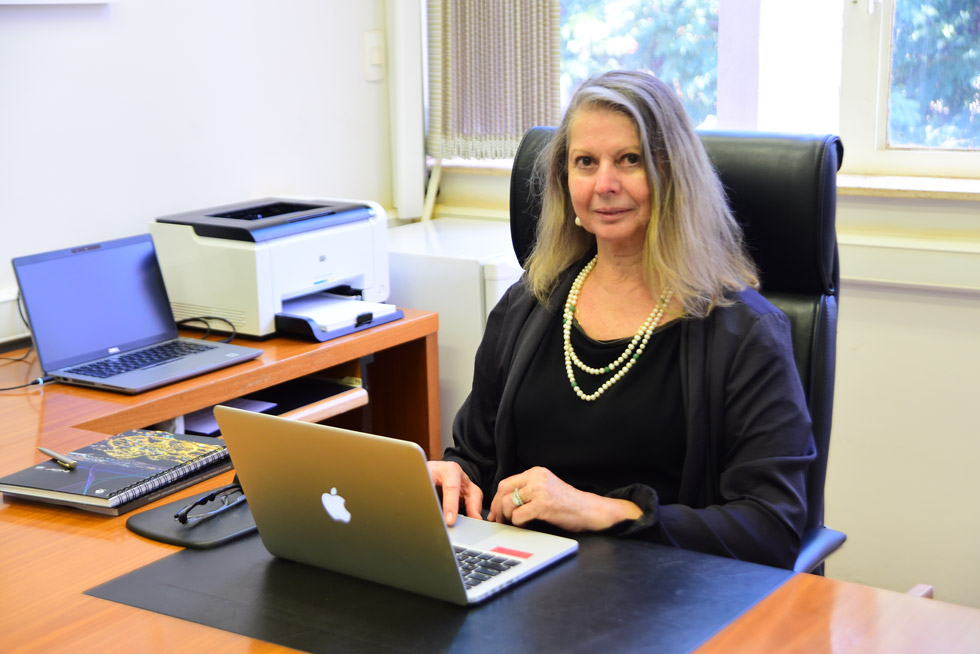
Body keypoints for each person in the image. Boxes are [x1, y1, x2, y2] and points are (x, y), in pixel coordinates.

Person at [427, 70, 815, 569]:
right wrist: (453, 479)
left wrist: (601, 511)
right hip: (520, 577)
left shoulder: (744, 334)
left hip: (667, 596)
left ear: (673, 177)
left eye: (629, 160)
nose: (604, 184)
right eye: (585, 162)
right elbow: (477, 459)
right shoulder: (526, 306)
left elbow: (771, 526)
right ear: (565, 183)